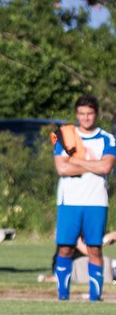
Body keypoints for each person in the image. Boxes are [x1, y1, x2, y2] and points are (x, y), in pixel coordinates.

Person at [52, 95, 116, 301]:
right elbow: (61, 168)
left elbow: (106, 166)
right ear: (76, 114)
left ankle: (95, 297)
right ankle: (63, 296)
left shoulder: (107, 138)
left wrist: (76, 161)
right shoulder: (66, 136)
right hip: (69, 201)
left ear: (96, 114)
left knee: (94, 248)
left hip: (96, 201)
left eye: (89, 113)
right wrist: (92, 164)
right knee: (65, 247)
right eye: (81, 113)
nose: (86, 118)